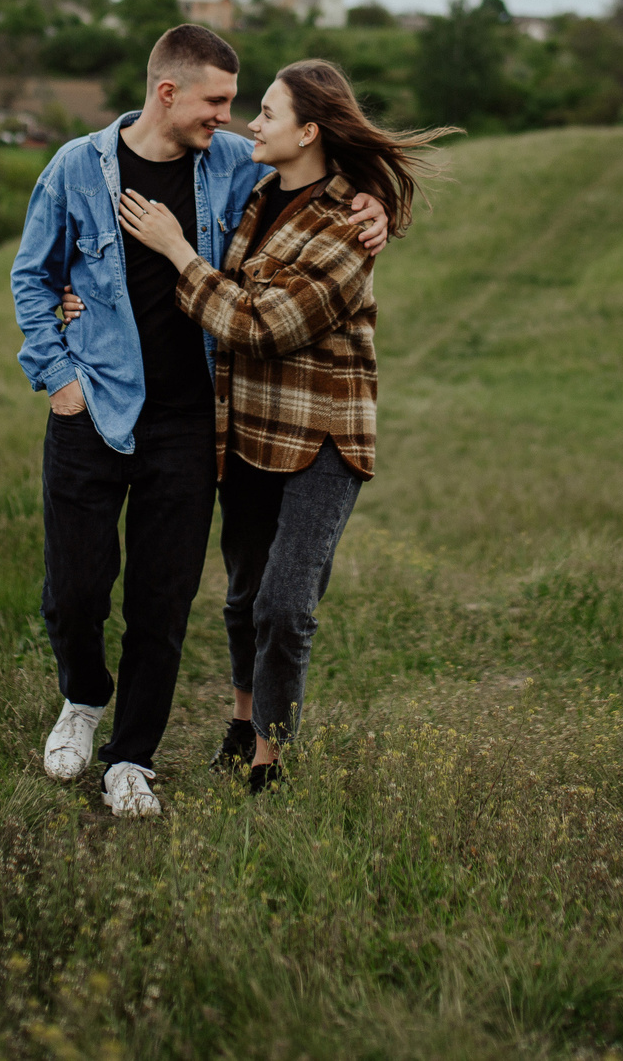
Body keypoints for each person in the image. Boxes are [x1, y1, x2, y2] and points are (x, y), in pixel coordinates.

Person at [9, 26, 387, 818]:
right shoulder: (79, 166)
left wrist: (372, 198)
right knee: (74, 592)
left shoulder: (227, 167)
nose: (235, 117)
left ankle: (132, 757)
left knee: (164, 598)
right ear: (167, 92)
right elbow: (33, 275)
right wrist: (58, 377)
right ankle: (82, 698)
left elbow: (309, 178)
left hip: (191, 423)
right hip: (93, 410)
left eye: (244, 101)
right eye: (219, 100)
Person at [115, 58, 453, 792]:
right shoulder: (260, 193)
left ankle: (274, 757)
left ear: (309, 130)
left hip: (322, 436)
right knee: (241, 598)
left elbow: (260, 324)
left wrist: (175, 250)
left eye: (265, 112)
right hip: (248, 432)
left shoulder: (345, 231)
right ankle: (242, 721)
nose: (249, 124)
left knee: (284, 603)